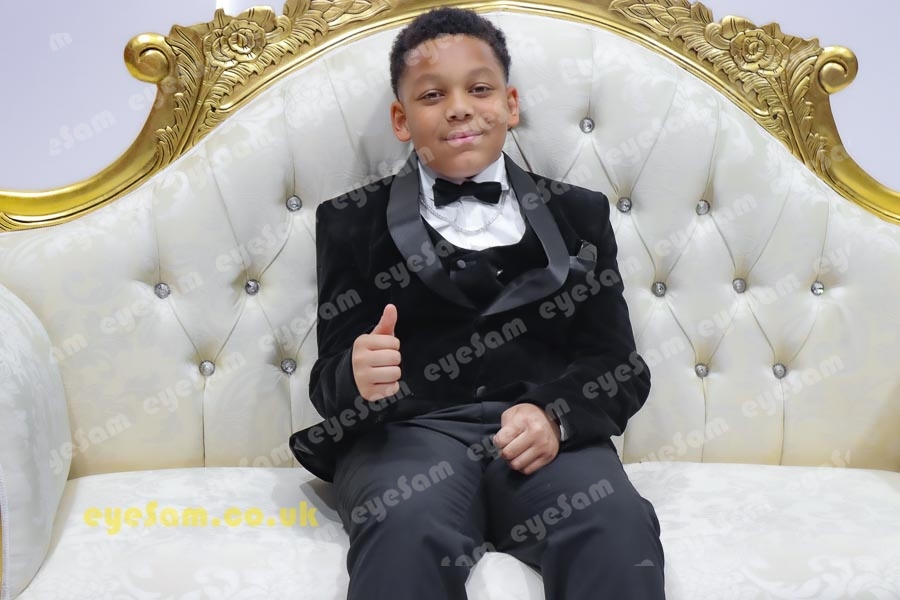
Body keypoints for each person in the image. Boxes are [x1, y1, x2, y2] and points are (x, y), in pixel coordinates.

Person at [289, 6, 665, 599]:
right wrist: (356, 376)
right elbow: (328, 380)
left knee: (616, 528)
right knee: (403, 527)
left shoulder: (581, 213)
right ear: (401, 119)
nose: (459, 107)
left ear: (510, 105)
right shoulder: (349, 221)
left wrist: (556, 415)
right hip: (408, 439)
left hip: (546, 441)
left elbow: (619, 365)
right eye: (432, 95)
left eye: (480, 89)